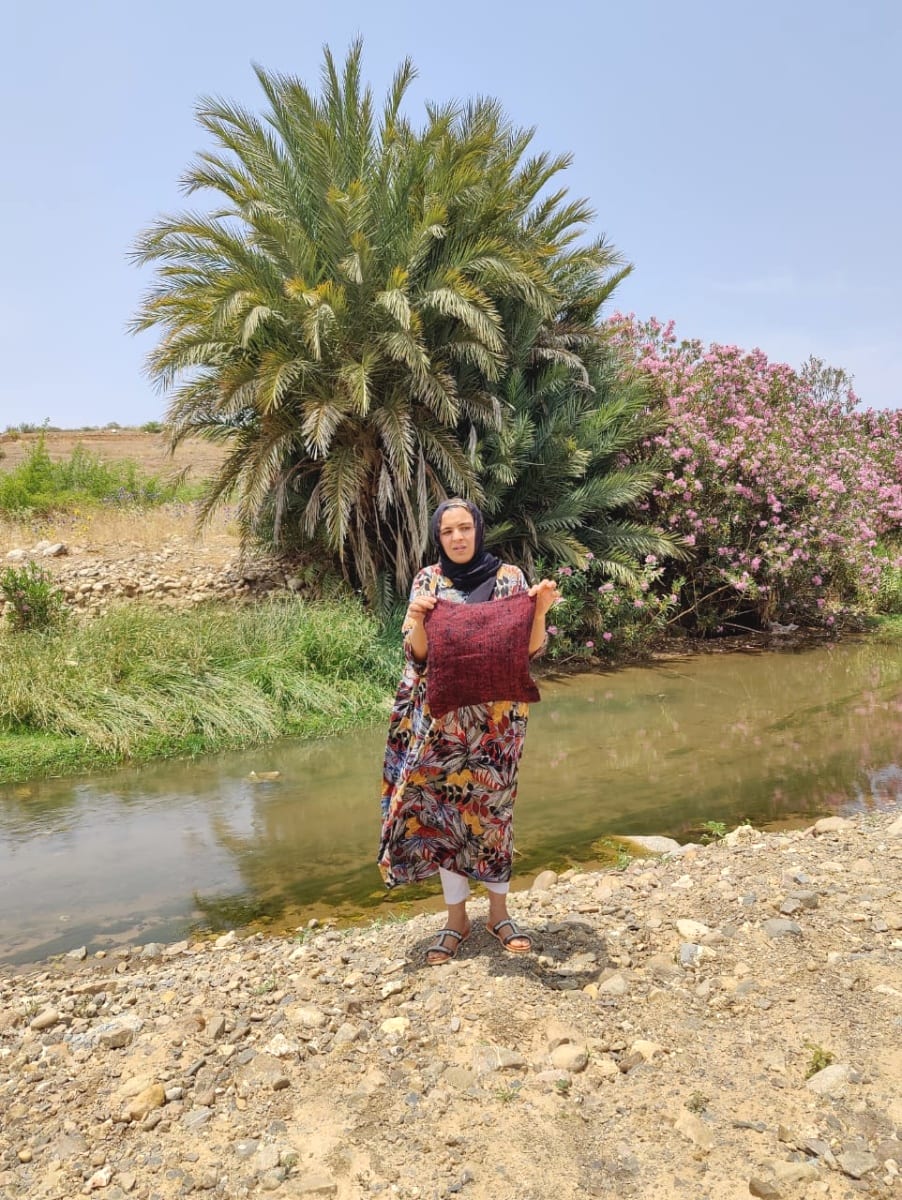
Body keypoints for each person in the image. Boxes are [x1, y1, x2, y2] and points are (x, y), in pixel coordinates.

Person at [377, 498, 560, 965]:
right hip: (443, 722)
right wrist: (417, 618)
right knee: (445, 816)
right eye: (447, 531)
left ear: (478, 529)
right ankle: (456, 920)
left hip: (499, 723)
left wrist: (540, 611)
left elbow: (529, 652)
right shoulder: (428, 580)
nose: (457, 537)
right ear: (438, 537)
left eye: (464, 528)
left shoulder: (510, 579)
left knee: (494, 813)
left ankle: (499, 915)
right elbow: (417, 656)